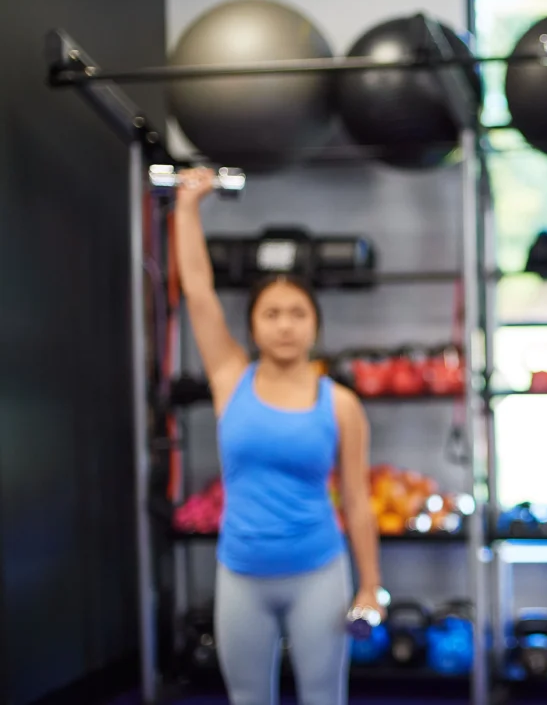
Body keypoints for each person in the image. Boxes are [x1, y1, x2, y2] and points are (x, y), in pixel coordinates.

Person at [175, 168, 384, 705]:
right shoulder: (230, 380)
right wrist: (187, 206)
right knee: (248, 699)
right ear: (253, 325)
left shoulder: (340, 404)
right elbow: (198, 291)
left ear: (315, 325)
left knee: (323, 697)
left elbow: (358, 504)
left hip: (318, 571)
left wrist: (369, 586)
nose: (285, 324)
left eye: (297, 313)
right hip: (241, 575)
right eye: (272, 313)